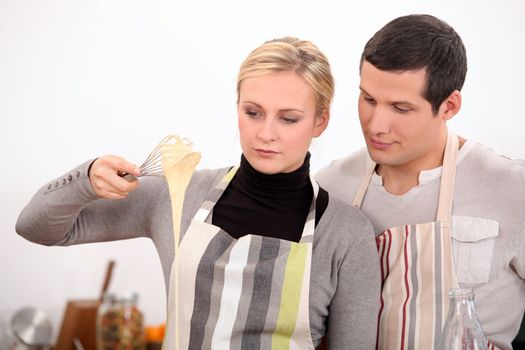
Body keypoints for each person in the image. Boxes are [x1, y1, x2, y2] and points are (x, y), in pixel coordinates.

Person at [16, 37, 381, 349]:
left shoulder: (345, 234)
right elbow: (35, 227)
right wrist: (87, 177)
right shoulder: (178, 195)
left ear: (320, 121)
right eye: (253, 112)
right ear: (236, 106)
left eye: (288, 118)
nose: (265, 133)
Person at [316, 14, 525, 350]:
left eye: (400, 108)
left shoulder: (512, 190)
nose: (376, 125)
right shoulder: (329, 187)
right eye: (368, 99)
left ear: (449, 106)